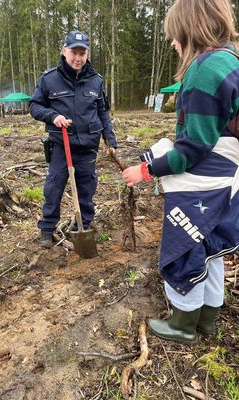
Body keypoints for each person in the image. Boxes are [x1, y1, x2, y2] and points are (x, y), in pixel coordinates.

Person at [122, 0, 239, 343]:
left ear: (191, 29)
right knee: (208, 248)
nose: (173, 43)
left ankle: (183, 325)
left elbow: (191, 150)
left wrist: (147, 170)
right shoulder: (232, 61)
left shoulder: (206, 70)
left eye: (175, 36)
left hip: (202, 185)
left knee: (184, 247)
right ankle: (207, 320)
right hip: (228, 180)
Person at [29, 30, 117, 248]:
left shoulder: (95, 81)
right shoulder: (49, 79)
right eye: (74, 52)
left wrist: (110, 139)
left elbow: (103, 112)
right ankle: (47, 229)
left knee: (87, 186)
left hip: (88, 144)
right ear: (64, 51)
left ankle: (83, 225)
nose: (78, 58)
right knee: (54, 185)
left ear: (87, 54)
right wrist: (54, 116)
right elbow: (34, 106)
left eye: (83, 53)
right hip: (62, 144)